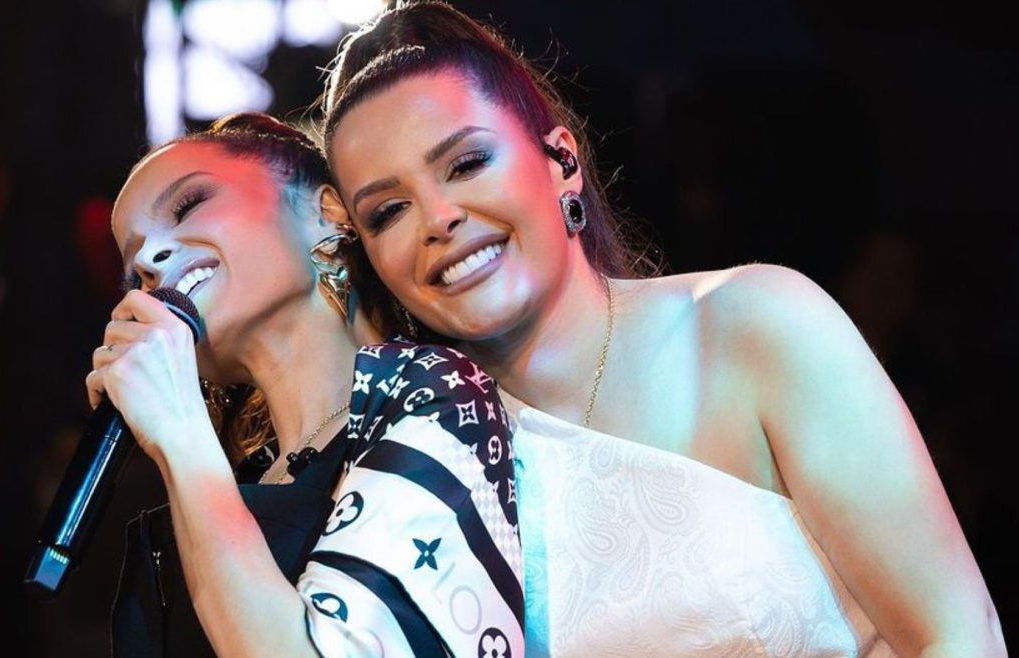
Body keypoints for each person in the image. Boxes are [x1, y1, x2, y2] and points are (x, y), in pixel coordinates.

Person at [318, 2, 1006, 656]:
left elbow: (956, 634)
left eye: (467, 164)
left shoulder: (754, 326)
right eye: (388, 211)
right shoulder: (419, 465)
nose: (438, 218)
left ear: (562, 163)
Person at [87, 112, 524, 657]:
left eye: (188, 205)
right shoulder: (226, 483)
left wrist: (180, 436)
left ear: (326, 212)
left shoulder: (436, 394)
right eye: (134, 274)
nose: (150, 262)